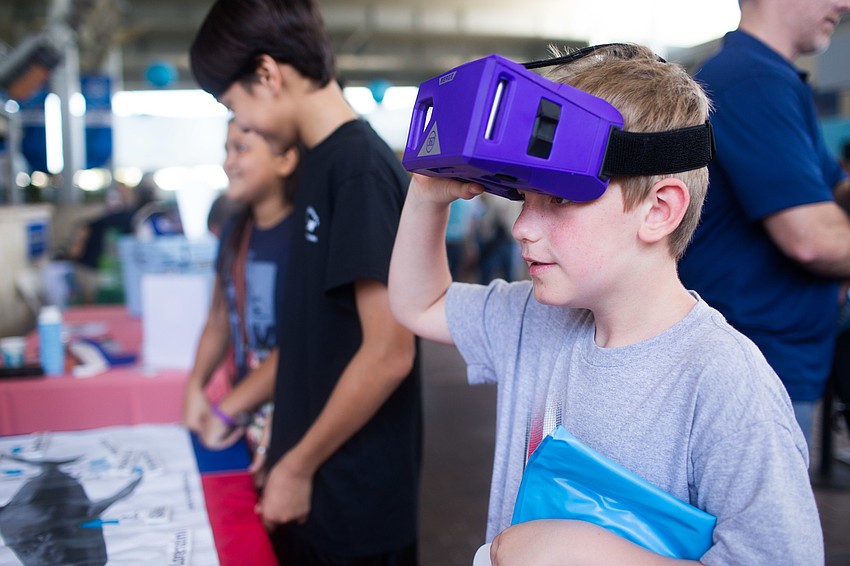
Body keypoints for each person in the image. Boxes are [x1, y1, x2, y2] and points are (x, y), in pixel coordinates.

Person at [388, 44, 821, 564]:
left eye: (561, 199)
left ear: (659, 211)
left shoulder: (726, 385)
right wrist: (425, 196)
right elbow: (421, 303)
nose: (523, 226)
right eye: (526, 197)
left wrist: (596, 555)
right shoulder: (535, 318)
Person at [189, 1, 422, 564]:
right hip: (313, 481)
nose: (242, 124)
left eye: (235, 106)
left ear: (267, 75)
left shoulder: (359, 169)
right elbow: (317, 339)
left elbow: (389, 352)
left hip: (353, 502)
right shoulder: (319, 164)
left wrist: (296, 465)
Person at [678, 0, 850, 449]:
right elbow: (813, 238)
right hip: (754, 366)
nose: (845, 3)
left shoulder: (772, 78)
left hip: (771, 359)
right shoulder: (754, 80)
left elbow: (831, 191)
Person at [183, 120, 300, 477]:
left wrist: (225, 409)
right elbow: (220, 317)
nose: (228, 162)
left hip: (292, 414)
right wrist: (195, 385)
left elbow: (300, 344)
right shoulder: (235, 229)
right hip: (247, 409)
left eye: (242, 149)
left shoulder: (303, 233)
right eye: (226, 149)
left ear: (285, 159)